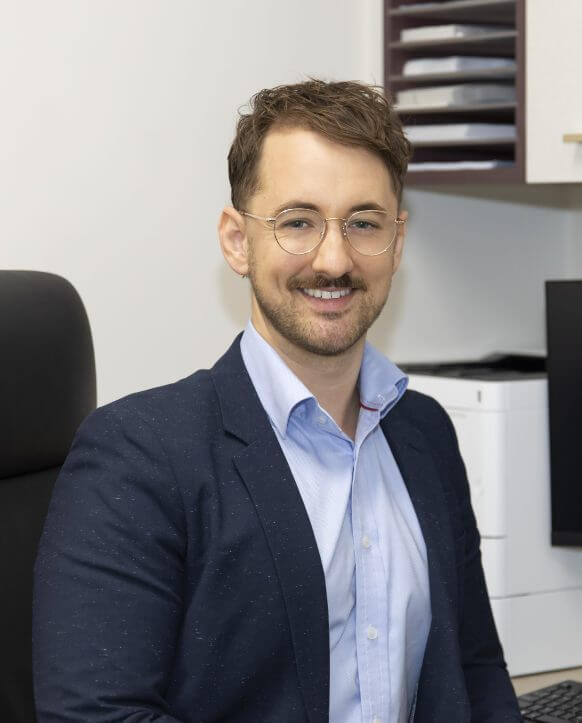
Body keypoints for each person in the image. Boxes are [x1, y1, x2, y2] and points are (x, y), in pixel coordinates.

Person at [33, 79, 521, 722]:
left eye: (364, 223)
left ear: (397, 242)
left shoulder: (425, 432)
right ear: (238, 240)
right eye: (297, 222)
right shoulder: (139, 454)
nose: (334, 260)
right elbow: (97, 716)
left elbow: (476, 672)